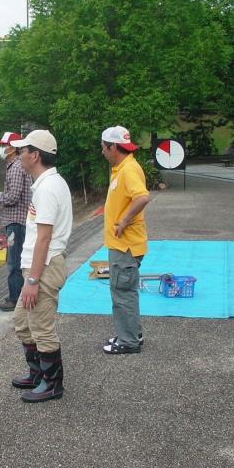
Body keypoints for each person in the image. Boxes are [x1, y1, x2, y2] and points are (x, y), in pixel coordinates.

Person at [8, 130, 72, 402]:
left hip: (43, 267)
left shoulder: (47, 189)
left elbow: (44, 238)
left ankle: (52, 384)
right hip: (37, 265)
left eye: (22, 151)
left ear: (35, 155)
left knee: (42, 328)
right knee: (22, 322)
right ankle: (37, 373)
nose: (18, 155)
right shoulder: (47, 184)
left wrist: (32, 280)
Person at [100, 126, 150, 355]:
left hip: (125, 244)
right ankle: (132, 333)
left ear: (113, 147)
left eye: (104, 147)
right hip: (123, 243)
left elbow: (142, 197)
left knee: (122, 292)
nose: (102, 151)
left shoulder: (128, 169)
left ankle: (128, 341)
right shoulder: (124, 167)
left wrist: (124, 220)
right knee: (125, 290)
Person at [0, 132, 32, 312]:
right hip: (15, 220)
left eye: (3, 145)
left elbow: (13, 197)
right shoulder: (15, 166)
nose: (1, 148)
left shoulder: (16, 167)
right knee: (15, 259)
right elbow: (13, 193)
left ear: (12, 148)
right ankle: (16, 294)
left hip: (16, 222)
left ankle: (15, 299)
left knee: (14, 261)